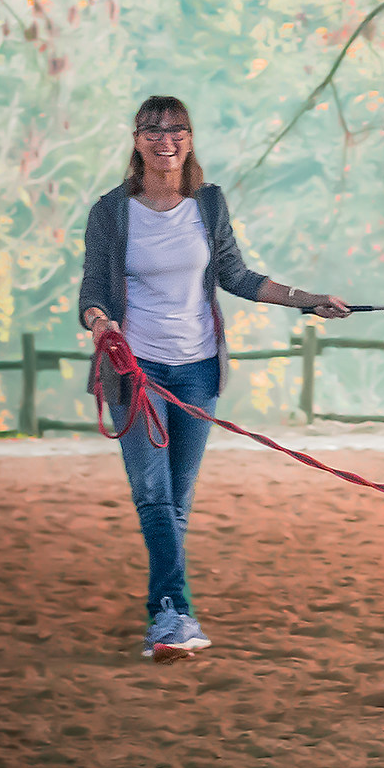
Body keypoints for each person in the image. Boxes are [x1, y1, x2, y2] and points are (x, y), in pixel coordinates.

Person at [78, 95, 348, 662]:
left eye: (176, 129)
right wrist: (102, 324)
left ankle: (169, 612)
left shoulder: (209, 204)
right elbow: (92, 293)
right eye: (151, 130)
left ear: (190, 138)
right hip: (136, 370)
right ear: (135, 140)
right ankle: (171, 614)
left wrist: (308, 300)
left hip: (198, 368)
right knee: (153, 495)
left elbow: (236, 275)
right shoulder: (111, 211)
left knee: (177, 501)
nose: (164, 139)